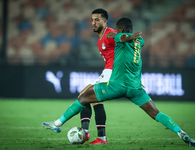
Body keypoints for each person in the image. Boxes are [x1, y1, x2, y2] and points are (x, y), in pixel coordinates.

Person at [42, 17, 195, 147]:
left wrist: (124, 37)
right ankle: (180, 132)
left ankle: (58, 125)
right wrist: (130, 37)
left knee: (83, 97)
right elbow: (129, 42)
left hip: (117, 86)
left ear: (120, 29)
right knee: (156, 113)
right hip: (135, 88)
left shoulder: (119, 37)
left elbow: (122, 38)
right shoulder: (140, 41)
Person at [77, 8, 116, 145]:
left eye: (97, 20)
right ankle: (100, 137)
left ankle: (85, 133)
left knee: (84, 95)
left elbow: (127, 45)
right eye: (92, 20)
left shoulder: (111, 34)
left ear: (105, 22)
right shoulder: (100, 40)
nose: (93, 23)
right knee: (93, 99)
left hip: (114, 73)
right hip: (109, 72)